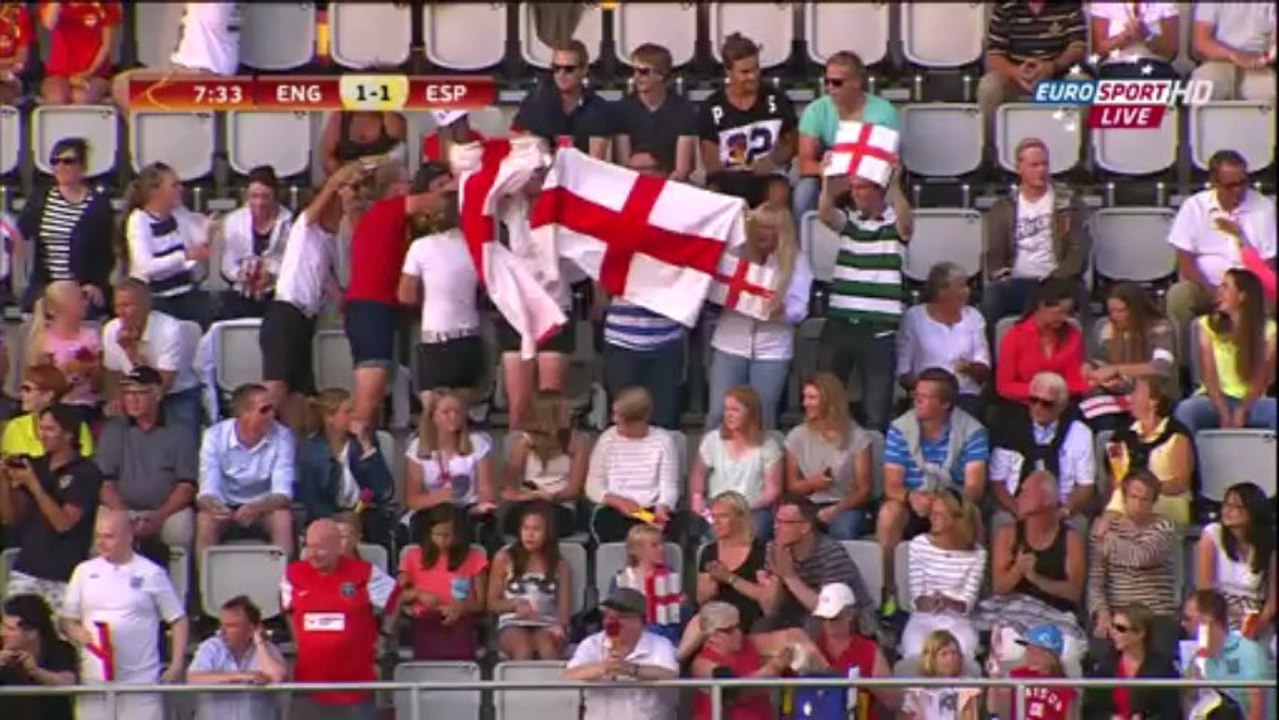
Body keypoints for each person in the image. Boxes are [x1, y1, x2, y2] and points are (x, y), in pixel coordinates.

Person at [344, 163, 454, 435]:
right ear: (394, 189)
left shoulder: (383, 220)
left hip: (374, 308)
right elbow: (437, 201)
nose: (411, 187)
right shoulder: (387, 210)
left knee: (376, 389)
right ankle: (353, 452)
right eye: (407, 182)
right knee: (371, 388)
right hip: (371, 307)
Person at [877, 367, 988, 615]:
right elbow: (892, 485)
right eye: (916, 395)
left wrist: (944, 505)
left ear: (946, 403)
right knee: (888, 514)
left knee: (974, 515)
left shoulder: (973, 431)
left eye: (924, 397)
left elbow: (974, 487)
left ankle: (971, 601)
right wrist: (911, 496)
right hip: (913, 502)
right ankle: (889, 596)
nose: (916, 400)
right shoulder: (899, 428)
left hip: (951, 503)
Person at [60, 509, 188, 720]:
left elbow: (177, 619)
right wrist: (75, 631)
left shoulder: (151, 573)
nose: (101, 542)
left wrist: (176, 665)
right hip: (94, 682)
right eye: (98, 536)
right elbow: (67, 619)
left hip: (140, 683)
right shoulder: (83, 571)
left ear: (128, 536)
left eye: (109, 536)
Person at [259, 161, 358, 432]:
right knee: (276, 389)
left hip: (304, 321)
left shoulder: (327, 244)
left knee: (299, 399)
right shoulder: (304, 228)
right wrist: (338, 180)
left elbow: (331, 286)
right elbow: (320, 202)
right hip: (286, 314)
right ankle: (253, 437)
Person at [816, 154, 910, 433]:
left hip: (878, 330)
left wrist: (894, 183)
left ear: (878, 190)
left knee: (877, 411)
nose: (855, 194)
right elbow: (825, 213)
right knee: (825, 400)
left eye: (862, 188)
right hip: (840, 324)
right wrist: (825, 180)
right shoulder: (850, 222)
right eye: (853, 188)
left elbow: (906, 223)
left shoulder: (895, 225)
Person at [597, 153, 688, 430]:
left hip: (666, 337)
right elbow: (597, 258)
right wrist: (600, 298)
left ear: (662, 172)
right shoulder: (613, 210)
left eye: (646, 168)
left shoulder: (681, 214)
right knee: (623, 421)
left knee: (664, 422)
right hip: (622, 337)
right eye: (633, 169)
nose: (639, 174)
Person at [706, 202, 812, 431]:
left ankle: (765, 466)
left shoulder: (798, 261)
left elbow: (800, 309)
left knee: (762, 415)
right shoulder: (734, 256)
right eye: (760, 227)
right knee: (719, 413)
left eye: (770, 228)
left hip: (772, 349)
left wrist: (782, 313)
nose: (763, 233)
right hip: (730, 343)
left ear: (782, 233)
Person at [281, 518, 397, 720]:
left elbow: (395, 597)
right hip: (309, 686)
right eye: (309, 547)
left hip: (355, 686)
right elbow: (287, 608)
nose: (313, 554)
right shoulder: (293, 574)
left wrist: (384, 633)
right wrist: (297, 638)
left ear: (337, 545)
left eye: (320, 548)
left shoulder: (365, 572)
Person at [977, 470, 1087, 678]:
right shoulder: (1008, 534)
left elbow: (1074, 592)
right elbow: (999, 587)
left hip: (1057, 615)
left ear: (1046, 499)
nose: (1019, 494)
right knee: (1012, 652)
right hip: (1014, 612)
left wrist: (1036, 578)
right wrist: (1018, 570)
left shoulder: (1070, 539)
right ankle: (1004, 711)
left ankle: (1065, 709)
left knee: (1068, 657)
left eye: (1026, 490)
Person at [0, 405, 101, 611]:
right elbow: (11, 517)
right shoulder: (35, 465)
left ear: (68, 434)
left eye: (50, 429)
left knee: (59, 639)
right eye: (41, 428)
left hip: (64, 575)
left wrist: (33, 484)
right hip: (27, 568)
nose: (42, 435)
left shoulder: (86, 473)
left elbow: (63, 523)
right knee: (16, 633)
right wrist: (4, 480)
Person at [395, 178, 484, 411]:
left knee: (433, 415)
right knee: (460, 415)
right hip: (470, 336)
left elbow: (406, 295)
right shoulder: (476, 246)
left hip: (437, 337)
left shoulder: (421, 247)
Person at [1165, 150, 1277, 334]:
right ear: (1214, 183)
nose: (1239, 190)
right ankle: (1184, 361)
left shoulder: (1264, 207)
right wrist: (1214, 293)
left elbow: (1267, 264)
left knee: (1270, 297)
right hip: (1205, 286)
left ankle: (1258, 359)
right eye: (1231, 185)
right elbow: (1186, 264)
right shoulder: (1194, 207)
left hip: (1249, 287)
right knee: (1180, 295)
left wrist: (1239, 293)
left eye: (1243, 183)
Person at [982, 137, 1090, 326]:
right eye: (1034, 165)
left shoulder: (1068, 203)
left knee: (1078, 295)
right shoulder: (1003, 207)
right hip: (1018, 282)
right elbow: (994, 252)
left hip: (1058, 281)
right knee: (993, 297)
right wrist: (1003, 274)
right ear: (1019, 168)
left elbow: (1078, 251)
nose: (1041, 170)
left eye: (1045, 164)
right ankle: (991, 354)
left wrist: (1057, 277)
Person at [96, 366, 199, 558]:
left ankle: (178, 588)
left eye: (140, 393)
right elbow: (105, 484)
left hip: (166, 511)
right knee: (103, 525)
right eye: (128, 393)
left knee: (181, 528)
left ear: (158, 394)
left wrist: (158, 517)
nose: (132, 400)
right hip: (122, 508)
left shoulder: (180, 432)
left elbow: (186, 486)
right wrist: (124, 515)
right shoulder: (113, 430)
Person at [794, 50, 903, 221]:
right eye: (827, 82)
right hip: (830, 176)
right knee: (804, 191)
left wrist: (854, 180)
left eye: (837, 82)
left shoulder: (884, 112)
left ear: (857, 82)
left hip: (870, 176)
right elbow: (804, 162)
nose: (830, 88)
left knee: (885, 189)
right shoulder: (816, 110)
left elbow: (886, 161)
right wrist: (824, 171)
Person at [1087, 470, 1181, 661]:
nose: (1138, 504)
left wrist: (1106, 537)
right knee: (1101, 646)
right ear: (1124, 497)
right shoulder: (1108, 528)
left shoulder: (1164, 527)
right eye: (1133, 497)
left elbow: (1141, 557)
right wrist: (1102, 612)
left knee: (1159, 653)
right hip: (1118, 612)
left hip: (1155, 614)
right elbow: (1096, 580)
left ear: (1154, 502)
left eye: (1145, 499)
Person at [17, 137, 115, 317]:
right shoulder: (41, 198)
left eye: (68, 161)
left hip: (81, 287)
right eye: (55, 161)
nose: (60, 167)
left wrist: (97, 285)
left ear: (82, 167)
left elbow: (106, 254)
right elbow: (21, 233)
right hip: (46, 286)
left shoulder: (99, 206)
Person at [196, 383, 296, 559]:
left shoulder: (283, 436)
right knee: (205, 520)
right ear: (244, 414)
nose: (272, 415)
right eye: (264, 410)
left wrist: (257, 507)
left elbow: (283, 493)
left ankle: (283, 582)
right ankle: (204, 582)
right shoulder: (215, 436)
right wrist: (215, 507)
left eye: (273, 408)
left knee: (283, 518)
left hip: (265, 506)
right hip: (225, 506)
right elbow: (207, 490)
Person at [699, 32, 797, 207]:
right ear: (728, 71)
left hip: (768, 175)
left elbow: (791, 142)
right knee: (713, 196)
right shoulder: (712, 106)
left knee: (779, 191)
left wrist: (772, 161)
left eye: (756, 68)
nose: (753, 76)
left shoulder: (776, 98)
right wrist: (738, 172)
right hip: (728, 178)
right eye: (745, 72)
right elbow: (711, 162)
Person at [989, 371, 1096, 529]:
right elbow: (997, 482)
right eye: (1033, 401)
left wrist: (1064, 512)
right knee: (1001, 522)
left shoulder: (1079, 433)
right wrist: (1017, 511)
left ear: (1062, 406)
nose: (1038, 408)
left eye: (1046, 403)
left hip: (1062, 508)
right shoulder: (1009, 428)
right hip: (1015, 506)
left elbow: (1085, 486)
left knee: (1078, 525)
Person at [1177, 268, 1278, 433]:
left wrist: (1242, 410)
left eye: (1225, 287)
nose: (1219, 291)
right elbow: (1209, 376)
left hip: (1252, 400)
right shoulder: (1206, 325)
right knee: (1186, 411)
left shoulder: (1269, 330)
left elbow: (1261, 379)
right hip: (1214, 399)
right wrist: (1224, 412)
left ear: (1242, 296)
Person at [101, 279, 204, 434]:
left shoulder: (169, 329)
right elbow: (112, 374)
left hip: (176, 394)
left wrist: (131, 352)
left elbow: (160, 387)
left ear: (146, 306)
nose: (121, 312)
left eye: (127, 305)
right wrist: (116, 399)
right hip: (135, 394)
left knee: (182, 440)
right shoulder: (111, 329)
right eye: (117, 306)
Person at [759, 494, 873, 633]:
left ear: (805, 527)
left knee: (814, 625)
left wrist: (790, 577)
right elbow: (770, 609)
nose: (776, 527)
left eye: (785, 523)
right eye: (776, 521)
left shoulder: (830, 553)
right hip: (797, 615)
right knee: (763, 626)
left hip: (848, 620)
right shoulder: (773, 548)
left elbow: (830, 610)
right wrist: (777, 575)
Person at [118, 162, 214, 325]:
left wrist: (209, 229)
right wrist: (183, 257)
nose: (181, 189)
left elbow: (200, 244)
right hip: (157, 300)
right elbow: (146, 267)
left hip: (187, 293)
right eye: (174, 185)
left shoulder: (179, 213)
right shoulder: (139, 220)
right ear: (155, 192)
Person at [294, 388, 393, 544]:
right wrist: (337, 518)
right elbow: (312, 499)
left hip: (366, 515)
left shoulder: (366, 442)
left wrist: (366, 445)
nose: (354, 416)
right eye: (348, 412)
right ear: (330, 418)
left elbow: (383, 489)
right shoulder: (310, 451)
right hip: (326, 516)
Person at [564, 587, 680, 720]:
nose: (612, 622)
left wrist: (632, 669)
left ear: (641, 621)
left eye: (622, 617)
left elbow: (670, 674)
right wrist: (603, 667)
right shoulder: (592, 644)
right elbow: (570, 675)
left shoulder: (660, 644)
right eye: (608, 616)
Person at [977, 2, 1087, 142]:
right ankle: (991, 153)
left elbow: (1078, 48)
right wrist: (1016, 72)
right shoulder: (1004, 7)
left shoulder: (1070, 6)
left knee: (1082, 84)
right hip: (1015, 81)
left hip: (1057, 78)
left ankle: (1078, 157)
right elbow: (994, 56)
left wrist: (1051, 67)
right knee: (989, 86)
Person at [784, 373, 873, 540]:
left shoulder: (857, 437)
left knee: (843, 529)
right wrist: (812, 483)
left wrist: (836, 509)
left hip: (846, 506)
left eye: (812, 398)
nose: (805, 404)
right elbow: (792, 486)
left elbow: (864, 490)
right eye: (804, 397)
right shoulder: (797, 436)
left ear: (829, 401)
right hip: (810, 504)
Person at [585, 387, 681, 544]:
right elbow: (593, 485)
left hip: (648, 510)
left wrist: (662, 507)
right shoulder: (607, 439)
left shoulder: (663, 441)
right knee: (608, 525)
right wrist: (618, 501)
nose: (614, 420)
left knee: (664, 531)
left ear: (640, 419)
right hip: (615, 509)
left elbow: (669, 486)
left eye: (620, 417)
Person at [402, 391, 497, 544]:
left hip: (467, 508)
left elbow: (486, 488)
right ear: (433, 416)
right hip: (432, 509)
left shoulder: (477, 443)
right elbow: (412, 500)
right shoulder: (417, 447)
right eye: (446, 412)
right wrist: (442, 496)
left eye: (457, 412)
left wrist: (485, 501)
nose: (453, 416)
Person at [898, 263, 990, 420]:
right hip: (927, 394)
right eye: (961, 287)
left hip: (965, 394)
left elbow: (984, 367)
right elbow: (903, 372)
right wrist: (928, 390)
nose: (967, 291)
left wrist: (969, 368)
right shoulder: (914, 317)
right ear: (941, 291)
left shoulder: (974, 316)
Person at [691, 385, 784, 540]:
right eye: (727, 409)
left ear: (751, 414)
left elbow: (773, 491)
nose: (729, 415)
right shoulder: (713, 440)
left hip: (753, 509)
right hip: (718, 508)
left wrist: (741, 509)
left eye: (735, 410)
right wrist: (697, 497)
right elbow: (698, 474)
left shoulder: (768, 445)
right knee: (717, 532)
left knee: (755, 531)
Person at [396, 504, 488, 661]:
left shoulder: (475, 557)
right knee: (429, 653)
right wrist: (418, 594)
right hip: (425, 617)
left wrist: (462, 606)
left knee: (459, 655)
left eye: (447, 535)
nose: (441, 541)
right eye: (437, 535)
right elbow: (397, 596)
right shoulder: (412, 556)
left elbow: (481, 603)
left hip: (460, 618)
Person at [902, 491, 986, 661]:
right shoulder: (919, 544)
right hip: (923, 616)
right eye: (932, 513)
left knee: (965, 648)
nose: (932, 518)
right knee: (916, 651)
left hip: (957, 619)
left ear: (957, 520)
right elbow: (916, 596)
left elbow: (967, 603)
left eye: (939, 515)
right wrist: (929, 601)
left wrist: (948, 602)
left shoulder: (978, 554)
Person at [1099, 377, 1193, 527]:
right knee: (1120, 499)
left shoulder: (1177, 435)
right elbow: (1116, 479)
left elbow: (1181, 483)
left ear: (1153, 401)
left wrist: (1146, 491)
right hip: (1126, 501)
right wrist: (1132, 494)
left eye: (1135, 394)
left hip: (1167, 499)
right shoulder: (1120, 436)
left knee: (1130, 507)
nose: (1130, 398)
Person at [1083, 282, 1179, 425]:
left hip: (1153, 396)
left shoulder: (1161, 328)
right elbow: (1099, 361)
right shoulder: (1106, 328)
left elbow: (1160, 367)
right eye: (1111, 311)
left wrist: (1116, 370)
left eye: (1121, 311)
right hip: (1116, 393)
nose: (1115, 316)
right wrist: (1090, 369)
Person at [488, 503, 571, 660]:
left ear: (548, 533)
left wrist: (560, 627)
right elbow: (491, 603)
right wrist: (514, 604)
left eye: (536, 530)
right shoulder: (504, 558)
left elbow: (564, 610)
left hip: (547, 622)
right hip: (512, 623)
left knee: (547, 649)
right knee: (523, 649)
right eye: (526, 528)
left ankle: (552, 685)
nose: (529, 535)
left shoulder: (560, 565)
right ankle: (518, 684)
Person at [499, 390, 588, 537]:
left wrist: (551, 496)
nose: (571, 413)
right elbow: (508, 487)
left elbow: (573, 489)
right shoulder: (524, 443)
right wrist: (529, 496)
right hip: (529, 501)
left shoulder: (578, 443)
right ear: (549, 415)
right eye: (565, 411)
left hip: (560, 504)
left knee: (545, 522)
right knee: (525, 520)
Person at [186, 595, 287, 720]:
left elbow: (277, 677)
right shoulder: (211, 647)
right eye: (221, 625)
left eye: (231, 626)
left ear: (251, 628)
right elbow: (194, 678)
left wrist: (259, 642)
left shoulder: (266, 649)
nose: (222, 631)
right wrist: (241, 677)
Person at [1195, 482, 1276, 636]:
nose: (1228, 511)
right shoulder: (1212, 534)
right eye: (1226, 505)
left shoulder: (1268, 545)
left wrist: (1253, 629)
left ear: (1253, 511)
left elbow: (1272, 602)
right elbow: (1205, 591)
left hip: (1255, 619)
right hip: (1217, 615)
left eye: (1236, 507)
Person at [689, 600, 792, 720]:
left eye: (739, 626)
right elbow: (734, 691)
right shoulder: (703, 664)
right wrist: (774, 667)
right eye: (730, 630)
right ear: (713, 636)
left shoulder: (748, 645)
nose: (739, 633)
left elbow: (794, 638)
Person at [995, 279, 1089, 406]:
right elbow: (1005, 386)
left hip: (1061, 403)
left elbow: (1076, 381)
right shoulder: (1015, 336)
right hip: (1023, 403)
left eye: (1067, 313)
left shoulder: (1072, 335)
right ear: (1041, 305)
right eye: (1059, 312)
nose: (1064, 318)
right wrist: (1041, 392)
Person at [215, 166, 293, 320]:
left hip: (276, 291)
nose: (259, 202)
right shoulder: (234, 220)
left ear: (275, 196)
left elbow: (289, 260)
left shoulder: (288, 222)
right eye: (254, 196)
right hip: (242, 290)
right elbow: (227, 263)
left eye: (265, 196)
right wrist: (241, 275)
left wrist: (270, 274)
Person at [1182, 589, 1273, 720]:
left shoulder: (1248, 653)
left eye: (1188, 619)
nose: (1183, 624)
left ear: (1207, 621)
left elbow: (1258, 713)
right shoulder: (1197, 658)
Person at [513, 39, 613, 157]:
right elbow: (521, 146)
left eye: (569, 69)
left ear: (584, 70)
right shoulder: (535, 100)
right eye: (556, 68)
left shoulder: (598, 108)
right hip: (543, 170)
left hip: (583, 170)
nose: (561, 74)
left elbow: (595, 161)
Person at [1081, 603, 1181, 720]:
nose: (1113, 632)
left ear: (1140, 633)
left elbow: (1171, 712)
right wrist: (1110, 718)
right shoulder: (1104, 665)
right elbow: (1090, 710)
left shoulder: (1163, 668)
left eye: (1120, 628)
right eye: (1113, 626)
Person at [809, 582, 895, 719]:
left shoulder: (868, 650)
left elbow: (892, 699)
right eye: (824, 618)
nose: (828, 623)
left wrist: (864, 681)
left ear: (850, 614)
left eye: (834, 618)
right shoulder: (812, 647)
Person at [613, 43, 697, 180]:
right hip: (634, 182)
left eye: (643, 72)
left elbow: (682, 169)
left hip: (672, 185)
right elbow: (624, 165)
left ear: (661, 75)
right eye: (634, 71)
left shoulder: (683, 109)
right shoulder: (623, 109)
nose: (636, 77)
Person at [24, 280, 103, 426]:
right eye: (81, 298)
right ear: (66, 306)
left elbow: (100, 384)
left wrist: (92, 369)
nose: (86, 303)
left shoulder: (91, 336)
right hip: (55, 408)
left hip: (87, 406)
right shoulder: (43, 341)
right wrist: (63, 372)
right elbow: (36, 386)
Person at [695, 491, 770, 633]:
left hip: (749, 618)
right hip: (716, 618)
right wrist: (713, 580)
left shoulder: (760, 550)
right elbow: (701, 599)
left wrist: (729, 578)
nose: (716, 522)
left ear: (740, 517)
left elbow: (766, 598)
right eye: (713, 517)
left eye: (723, 516)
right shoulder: (709, 551)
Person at [0, 593, 77, 720]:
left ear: (32, 632)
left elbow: (69, 681)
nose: (3, 633)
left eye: (10, 629)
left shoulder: (59, 650)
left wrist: (36, 672)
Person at [609, 523, 682, 644]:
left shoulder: (669, 575)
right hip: (633, 630)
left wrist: (679, 602)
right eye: (655, 546)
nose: (661, 549)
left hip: (664, 630)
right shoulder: (622, 579)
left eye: (661, 544)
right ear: (636, 550)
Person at [1, 364, 93, 458]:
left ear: (48, 395)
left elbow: (84, 463)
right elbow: (12, 466)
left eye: (27, 389)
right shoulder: (16, 426)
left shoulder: (76, 425)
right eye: (22, 389)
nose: (22, 394)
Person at [1189, 3, 1277, 101]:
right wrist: (1235, 56)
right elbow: (1201, 42)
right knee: (1200, 90)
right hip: (1218, 62)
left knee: (1269, 94)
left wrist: (1267, 57)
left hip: (1259, 65)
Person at [38, 0, 120, 104]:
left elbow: (106, 46)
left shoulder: (107, 4)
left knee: (81, 98)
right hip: (59, 73)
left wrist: (87, 73)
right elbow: (49, 24)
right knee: (57, 98)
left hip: (95, 73)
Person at [988, 623, 1076, 720]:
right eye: (1028, 649)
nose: (1029, 655)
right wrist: (994, 681)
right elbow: (997, 711)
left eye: (1035, 651)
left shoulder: (1065, 686)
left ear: (1051, 656)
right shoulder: (1018, 675)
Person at [899, 629, 981, 720]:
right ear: (931, 659)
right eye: (944, 654)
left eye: (954, 653)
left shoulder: (967, 687)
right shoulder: (915, 689)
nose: (951, 658)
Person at [1089, 1, 1181, 79]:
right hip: (1116, 65)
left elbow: (1171, 53)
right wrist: (1125, 36)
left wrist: (1146, 35)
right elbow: (1099, 51)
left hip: (1156, 65)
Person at [320, 111, 407, 177]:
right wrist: (344, 178)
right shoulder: (340, 116)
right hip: (345, 180)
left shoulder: (391, 119)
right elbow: (328, 157)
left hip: (380, 182)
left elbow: (400, 137)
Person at [420, 110, 485, 165]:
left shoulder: (477, 139)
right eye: (450, 125)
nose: (454, 130)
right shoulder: (430, 142)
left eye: (459, 122)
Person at [0, 3, 32, 104]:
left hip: (10, 76)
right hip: (5, 72)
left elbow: (21, 59)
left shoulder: (19, 13)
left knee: (10, 88)